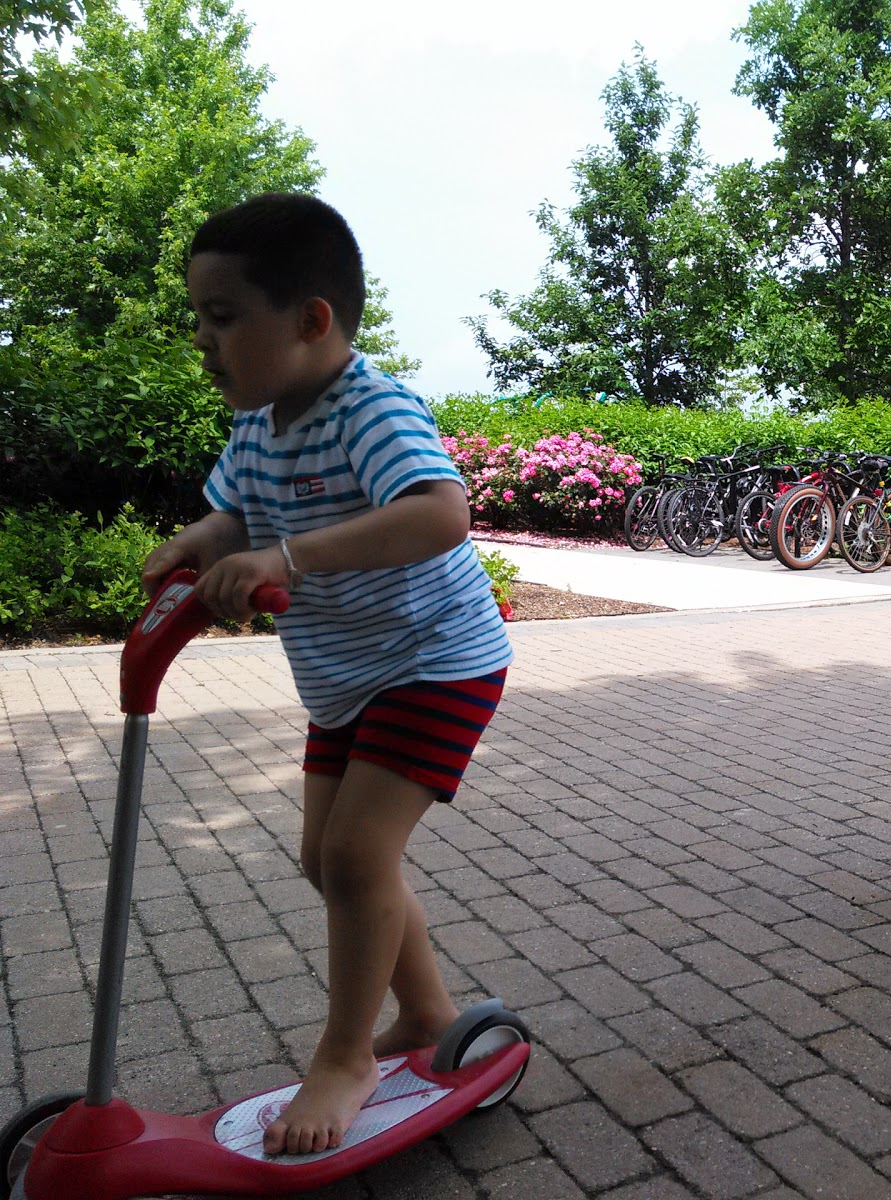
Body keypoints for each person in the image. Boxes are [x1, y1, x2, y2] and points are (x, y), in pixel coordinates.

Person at [141, 194, 514, 1156]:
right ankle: (428, 1014)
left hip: (435, 661)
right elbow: (237, 512)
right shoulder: (260, 427)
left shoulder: (369, 406)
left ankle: (346, 1056)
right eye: (199, 319)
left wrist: (289, 558)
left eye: (224, 318)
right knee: (328, 862)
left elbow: (441, 513)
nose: (203, 340)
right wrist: (205, 539)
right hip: (348, 676)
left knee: (355, 858)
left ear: (311, 320)